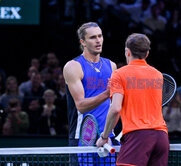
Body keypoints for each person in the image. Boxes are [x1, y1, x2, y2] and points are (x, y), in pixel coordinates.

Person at [96, 33, 169, 166]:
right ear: (147, 54)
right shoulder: (158, 75)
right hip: (162, 138)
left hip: (138, 137)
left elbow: (116, 108)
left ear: (127, 52)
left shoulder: (119, 74)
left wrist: (104, 137)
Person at [63, 22, 117, 165]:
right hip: (82, 137)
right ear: (83, 42)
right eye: (93, 37)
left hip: (107, 138)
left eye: (100, 36)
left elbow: (116, 104)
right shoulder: (73, 66)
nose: (98, 40)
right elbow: (81, 105)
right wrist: (107, 93)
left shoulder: (111, 65)